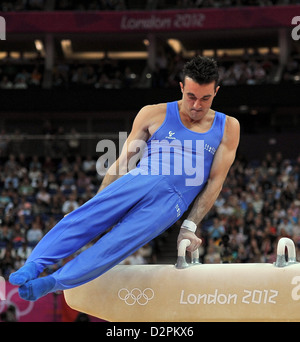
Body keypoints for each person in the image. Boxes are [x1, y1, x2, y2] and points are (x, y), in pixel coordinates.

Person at [9, 56, 240, 301]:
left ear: (216, 92)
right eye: (191, 96)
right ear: (182, 87)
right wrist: (96, 204)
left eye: (205, 98)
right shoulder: (153, 113)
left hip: (171, 202)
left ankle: (54, 282)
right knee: (83, 219)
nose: (196, 105)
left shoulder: (228, 127)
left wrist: (188, 226)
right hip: (142, 177)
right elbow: (123, 162)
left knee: (115, 246)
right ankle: (33, 265)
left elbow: (215, 182)